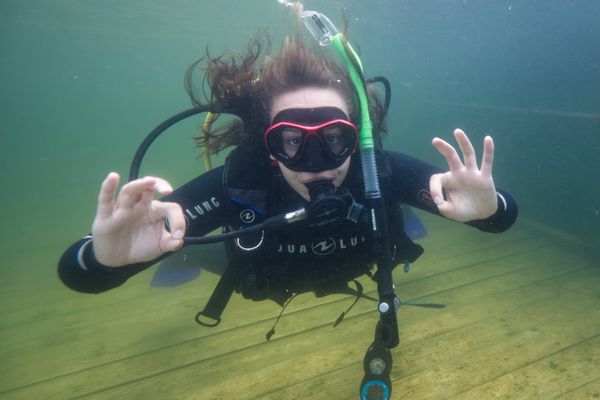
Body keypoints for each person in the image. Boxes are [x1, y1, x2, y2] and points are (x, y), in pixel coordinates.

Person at [58, 35, 517, 307]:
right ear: (269, 148)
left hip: (349, 254)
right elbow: (77, 274)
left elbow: (500, 219)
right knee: (192, 247)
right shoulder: (242, 185)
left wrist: (490, 209)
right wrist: (103, 259)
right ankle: (189, 255)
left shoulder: (377, 171)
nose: (317, 163)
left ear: (357, 137)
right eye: (292, 141)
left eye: (334, 139)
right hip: (258, 271)